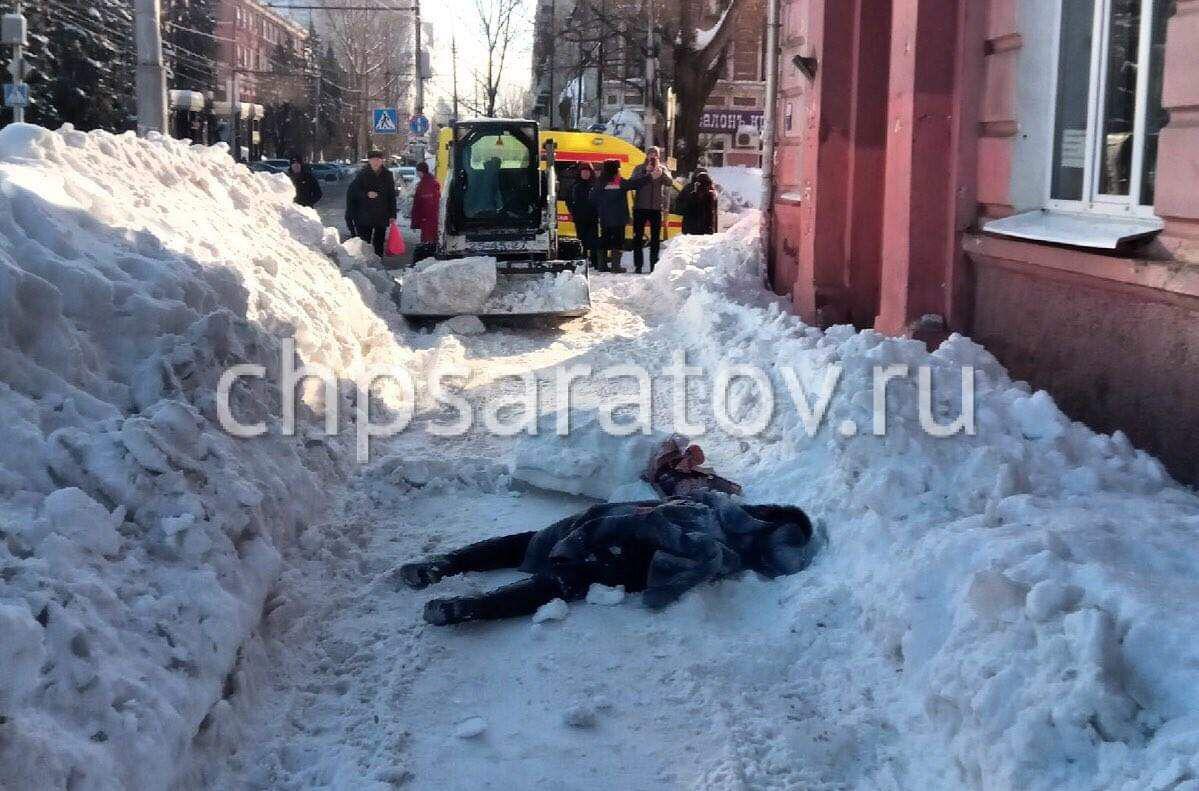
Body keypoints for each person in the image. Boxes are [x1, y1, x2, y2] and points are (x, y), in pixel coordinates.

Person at [400, 438, 817, 626]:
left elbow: (678, 549)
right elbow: (665, 499)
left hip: (628, 555)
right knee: (534, 546)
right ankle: (445, 566)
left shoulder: (723, 541)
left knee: (558, 576)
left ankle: (470, 606)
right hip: (616, 532)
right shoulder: (715, 512)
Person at [629, 145, 674, 273]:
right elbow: (632, 182)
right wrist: (646, 172)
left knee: (655, 239)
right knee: (638, 238)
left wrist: (661, 173)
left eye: (655, 154)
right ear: (647, 155)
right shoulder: (639, 168)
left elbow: (670, 182)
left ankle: (654, 266)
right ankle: (638, 266)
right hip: (640, 208)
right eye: (651, 154)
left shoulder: (662, 169)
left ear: (658, 156)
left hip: (655, 209)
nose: (653, 156)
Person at [345, 148, 398, 257]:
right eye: (373, 159)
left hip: (381, 213)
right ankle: (364, 261)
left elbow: (391, 195)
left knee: (379, 242)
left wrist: (392, 214)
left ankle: (378, 261)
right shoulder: (362, 174)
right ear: (369, 161)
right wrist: (366, 194)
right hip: (365, 213)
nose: (376, 162)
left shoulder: (387, 174)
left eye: (378, 159)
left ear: (382, 161)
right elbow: (353, 192)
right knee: (365, 241)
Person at [590, 159, 636, 273]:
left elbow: (593, 198)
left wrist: (601, 208)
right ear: (615, 170)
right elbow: (634, 184)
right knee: (618, 241)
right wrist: (649, 176)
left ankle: (602, 265)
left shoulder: (600, 182)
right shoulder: (618, 181)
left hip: (605, 217)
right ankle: (616, 266)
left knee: (604, 240)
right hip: (619, 218)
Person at [564, 162, 601, 270]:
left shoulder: (595, 185)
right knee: (581, 240)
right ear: (580, 173)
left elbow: (600, 200)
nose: (585, 174)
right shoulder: (574, 186)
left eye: (587, 172)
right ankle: (583, 261)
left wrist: (598, 212)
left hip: (593, 218)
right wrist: (574, 212)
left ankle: (595, 262)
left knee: (593, 241)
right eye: (583, 172)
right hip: (579, 218)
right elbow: (568, 200)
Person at [410, 161, 441, 249]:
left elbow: (418, 204)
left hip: (426, 218)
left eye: (417, 172)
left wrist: (415, 222)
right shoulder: (433, 182)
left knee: (427, 241)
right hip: (433, 217)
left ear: (420, 172)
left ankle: (428, 252)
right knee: (432, 240)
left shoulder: (423, 185)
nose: (417, 174)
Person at [679, 169, 719, 235]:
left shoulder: (688, 189)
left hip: (690, 228)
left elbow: (680, 207)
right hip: (706, 229)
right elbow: (713, 212)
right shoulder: (712, 192)